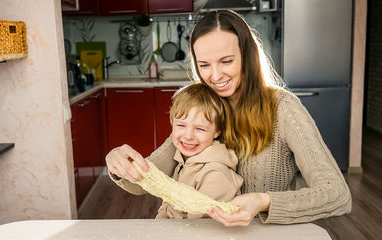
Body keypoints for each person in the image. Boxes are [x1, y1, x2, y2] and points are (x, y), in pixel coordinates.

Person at [106, 10, 351, 226]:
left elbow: (337, 194)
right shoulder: (202, 108)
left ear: (248, 56)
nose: (214, 76)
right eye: (204, 65)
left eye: (226, 61)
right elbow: (141, 183)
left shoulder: (283, 109)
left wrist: (264, 201)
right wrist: (118, 163)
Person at [143, 83, 243, 219]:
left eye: (200, 129)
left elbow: (198, 226)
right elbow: (167, 204)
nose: (188, 136)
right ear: (172, 122)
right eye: (181, 125)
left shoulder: (215, 174)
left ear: (216, 131)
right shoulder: (183, 159)